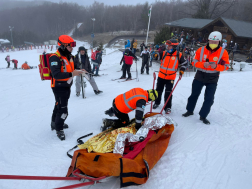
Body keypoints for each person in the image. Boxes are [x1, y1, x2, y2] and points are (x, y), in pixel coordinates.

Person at [182, 31, 230, 124]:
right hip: (200, 75)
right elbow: (194, 62)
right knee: (194, 95)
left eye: (215, 42)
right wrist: (203, 64)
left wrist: (216, 66)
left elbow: (226, 66)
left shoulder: (223, 52)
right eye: (211, 41)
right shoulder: (201, 50)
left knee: (209, 98)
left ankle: (203, 116)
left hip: (213, 78)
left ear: (219, 42)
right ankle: (189, 110)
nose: (213, 44)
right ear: (208, 40)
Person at [49, 35, 85, 140]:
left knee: (58, 105)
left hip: (66, 86)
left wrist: (80, 70)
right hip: (58, 87)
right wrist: (72, 74)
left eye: (73, 46)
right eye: (70, 46)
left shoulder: (69, 56)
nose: (72, 48)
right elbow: (56, 75)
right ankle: (59, 129)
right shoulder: (55, 57)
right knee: (63, 110)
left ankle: (54, 123)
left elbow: (73, 68)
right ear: (63, 46)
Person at [153, 39, 187, 114]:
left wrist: (181, 71)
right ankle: (157, 102)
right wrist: (155, 55)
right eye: (167, 45)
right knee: (158, 90)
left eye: (169, 46)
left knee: (168, 92)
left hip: (170, 77)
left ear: (174, 47)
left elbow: (185, 63)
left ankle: (167, 107)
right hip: (161, 76)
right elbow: (157, 57)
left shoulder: (179, 55)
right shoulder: (164, 53)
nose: (167, 47)